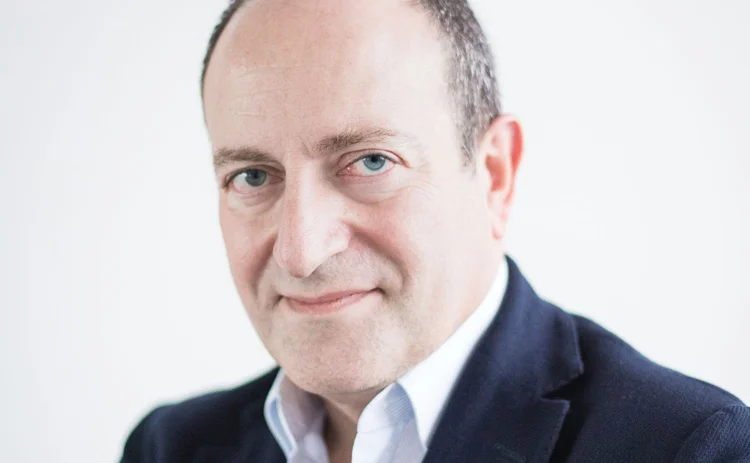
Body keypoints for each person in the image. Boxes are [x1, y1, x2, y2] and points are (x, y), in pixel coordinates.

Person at [121, 0, 750, 461]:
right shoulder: (168, 448)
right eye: (253, 176)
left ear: (495, 175)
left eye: (371, 162)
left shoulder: (689, 448)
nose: (302, 251)